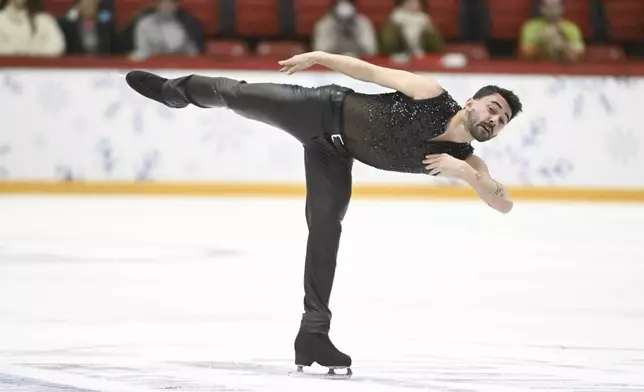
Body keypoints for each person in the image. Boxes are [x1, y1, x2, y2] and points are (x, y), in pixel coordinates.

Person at [124, 50, 522, 376]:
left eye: (501, 120)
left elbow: (502, 203)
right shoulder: (432, 94)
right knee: (237, 95)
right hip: (319, 109)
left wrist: (467, 175)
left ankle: (312, 335)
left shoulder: (467, 160)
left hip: (333, 154)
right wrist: (319, 57)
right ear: (472, 103)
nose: (493, 119)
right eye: (492, 108)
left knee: (326, 230)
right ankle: (173, 91)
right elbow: (368, 72)